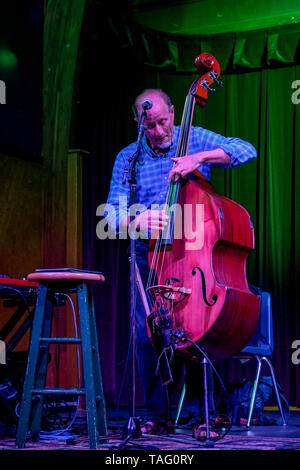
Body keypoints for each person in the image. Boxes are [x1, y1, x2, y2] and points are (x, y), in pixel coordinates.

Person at [104, 88, 257, 436]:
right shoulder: (127, 159)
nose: (158, 131)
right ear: (138, 123)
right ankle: (158, 414)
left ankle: (203, 413)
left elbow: (247, 150)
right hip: (150, 252)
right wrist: (136, 220)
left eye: (162, 121)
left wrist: (199, 158)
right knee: (147, 332)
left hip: (192, 250)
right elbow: (110, 215)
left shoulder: (192, 137)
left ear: (173, 112)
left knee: (195, 327)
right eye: (150, 126)